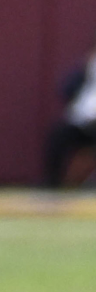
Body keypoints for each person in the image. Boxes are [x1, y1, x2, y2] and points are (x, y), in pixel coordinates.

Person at [46, 42, 96, 190]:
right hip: (84, 123)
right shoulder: (88, 68)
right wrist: (85, 69)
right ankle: (52, 183)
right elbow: (66, 89)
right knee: (58, 134)